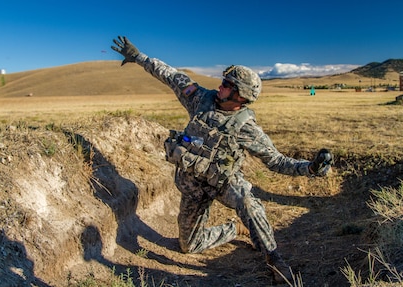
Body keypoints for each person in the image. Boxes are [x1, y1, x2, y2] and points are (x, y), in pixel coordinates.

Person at [111, 36, 333, 284]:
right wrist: (139, 57)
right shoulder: (200, 99)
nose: (220, 86)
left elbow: (277, 162)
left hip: (223, 183)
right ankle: (233, 229)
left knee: (248, 201)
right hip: (193, 187)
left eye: (227, 84)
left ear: (240, 97)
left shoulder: (246, 128)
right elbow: (172, 76)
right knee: (189, 246)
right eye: (224, 81)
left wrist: (311, 169)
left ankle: (274, 259)